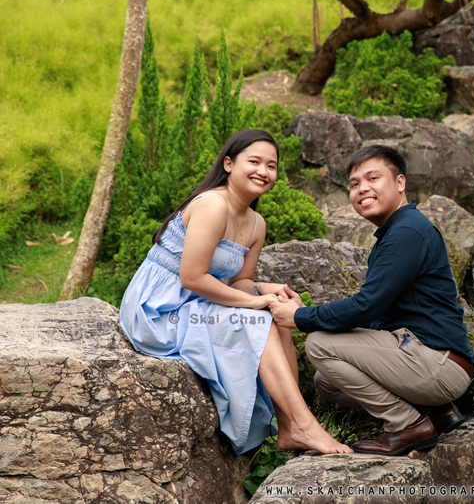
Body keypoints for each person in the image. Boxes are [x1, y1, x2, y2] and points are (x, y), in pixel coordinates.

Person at [119, 129, 351, 455]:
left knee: (275, 315)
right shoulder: (213, 205)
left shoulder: (257, 224)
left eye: (271, 166)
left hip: (196, 305)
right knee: (257, 319)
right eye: (253, 161)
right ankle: (302, 424)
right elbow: (193, 277)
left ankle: (290, 426)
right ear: (228, 164)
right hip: (158, 309)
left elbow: (239, 282)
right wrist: (255, 301)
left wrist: (266, 290)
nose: (263, 172)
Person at [269, 144, 474, 456]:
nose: (362, 188)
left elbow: (368, 305)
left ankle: (408, 424)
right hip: (424, 358)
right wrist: (303, 310)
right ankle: (436, 412)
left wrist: (300, 318)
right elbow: (374, 315)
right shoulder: (396, 231)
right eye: (354, 184)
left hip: (439, 363)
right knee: (327, 381)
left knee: (318, 345)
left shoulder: (408, 231)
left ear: (400, 183)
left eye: (372, 178)